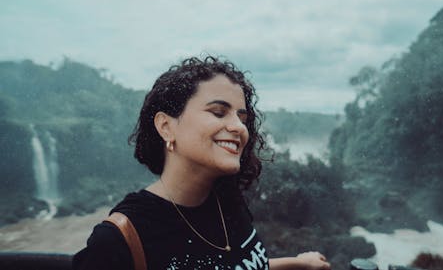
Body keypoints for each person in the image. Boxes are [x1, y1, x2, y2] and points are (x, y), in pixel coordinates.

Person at [73, 56, 331, 270]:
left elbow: (235, 265)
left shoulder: (226, 199)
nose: (238, 127)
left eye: (242, 118)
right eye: (218, 112)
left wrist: (298, 264)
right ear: (166, 126)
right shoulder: (121, 239)